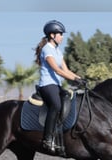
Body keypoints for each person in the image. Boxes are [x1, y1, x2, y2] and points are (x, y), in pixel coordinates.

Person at [35, 20, 85, 152]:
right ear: (52, 35)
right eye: (60, 34)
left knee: (70, 98)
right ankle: (47, 138)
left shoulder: (57, 50)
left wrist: (79, 78)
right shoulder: (47, 50)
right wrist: (74, 79)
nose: (62, 37)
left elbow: (66, 69)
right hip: (47, 85)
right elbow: (57, 70)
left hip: (56, 85)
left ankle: (62, 133)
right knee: (56, 105)